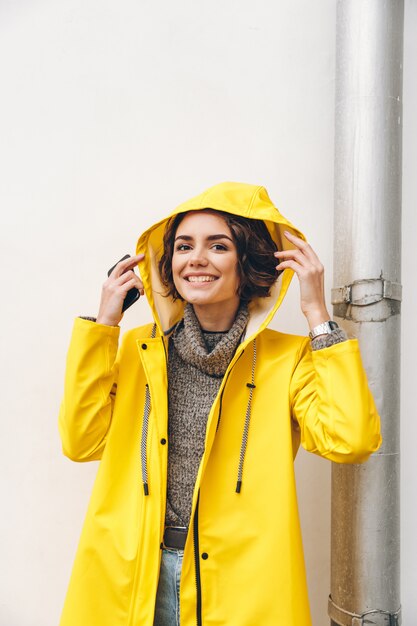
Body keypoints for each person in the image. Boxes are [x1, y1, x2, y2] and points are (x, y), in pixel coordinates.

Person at [58, 181, 382, 626]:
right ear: (167, 263)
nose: (196, 259)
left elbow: (351, 440)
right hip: (132, 575)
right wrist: (105, 323)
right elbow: (81, 441)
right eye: (184, 246)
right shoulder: (137, 349)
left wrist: (317, 316)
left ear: (246, 262)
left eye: (218, 246)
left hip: (240, 587)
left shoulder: (287, 359)